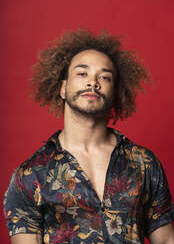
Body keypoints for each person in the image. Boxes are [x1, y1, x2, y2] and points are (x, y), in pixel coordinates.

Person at [3, 28, 174, 244]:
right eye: (82, 73)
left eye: (105, 76)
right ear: (63, 88)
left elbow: (167, 240)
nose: (93, 82)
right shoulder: (29, 176)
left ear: (115, 93)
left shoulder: (144, 163)